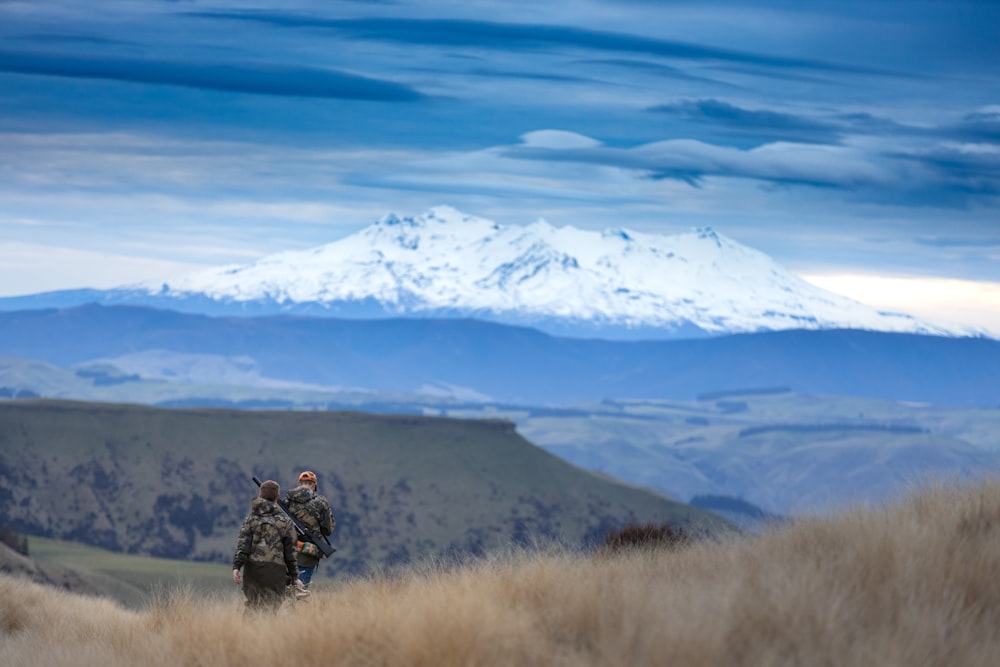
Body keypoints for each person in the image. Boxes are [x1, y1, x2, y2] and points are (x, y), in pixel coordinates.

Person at [232, 479, 302, 613]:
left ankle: (247, 633)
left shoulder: (251, 519)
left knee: (252, 606)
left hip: (253, 570)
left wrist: (237, 566)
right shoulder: (286, 522)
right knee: (272, 608)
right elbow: (291, 552)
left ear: (260, 495)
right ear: (278, 496)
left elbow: (243, 545)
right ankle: (267, 633)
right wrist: (294, 576)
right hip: (276, 571)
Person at [284, 470, 335, 589]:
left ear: (299, 483)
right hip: (308, 553)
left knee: (284, 592)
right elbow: (328, 529)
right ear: (314, 484)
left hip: (288, 551)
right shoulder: (321, 502)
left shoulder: (287, 501)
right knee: (300, 593)